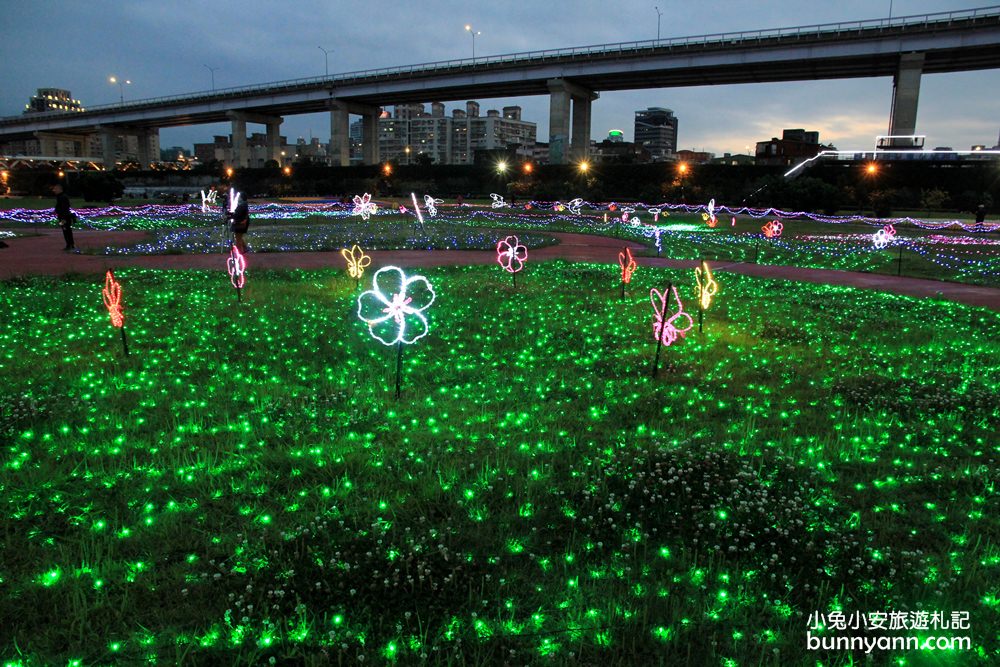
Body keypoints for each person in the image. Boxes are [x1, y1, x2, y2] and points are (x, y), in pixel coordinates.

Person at [225, 185, 250, 253]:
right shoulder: (244, 204)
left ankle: (240, 252)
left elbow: (237, 214)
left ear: (241, 197)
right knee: (239, 237)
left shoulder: (242, 205)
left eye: (239, 197)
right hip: (242, 222)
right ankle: (245, 248)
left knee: (238, 238)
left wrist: (229, 216)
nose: (238, 198)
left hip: (240, 223)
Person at [52, 183, 76, 251]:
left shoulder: (62, 197)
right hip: (63, 217)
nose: (54, 190)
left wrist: (62, 217)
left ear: (60, 189)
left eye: (55, 189)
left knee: (66, 230)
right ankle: (70, 244)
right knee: (66, 230)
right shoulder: (61, 197)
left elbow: (64, 208)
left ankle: (69, 244)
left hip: (64, 217)